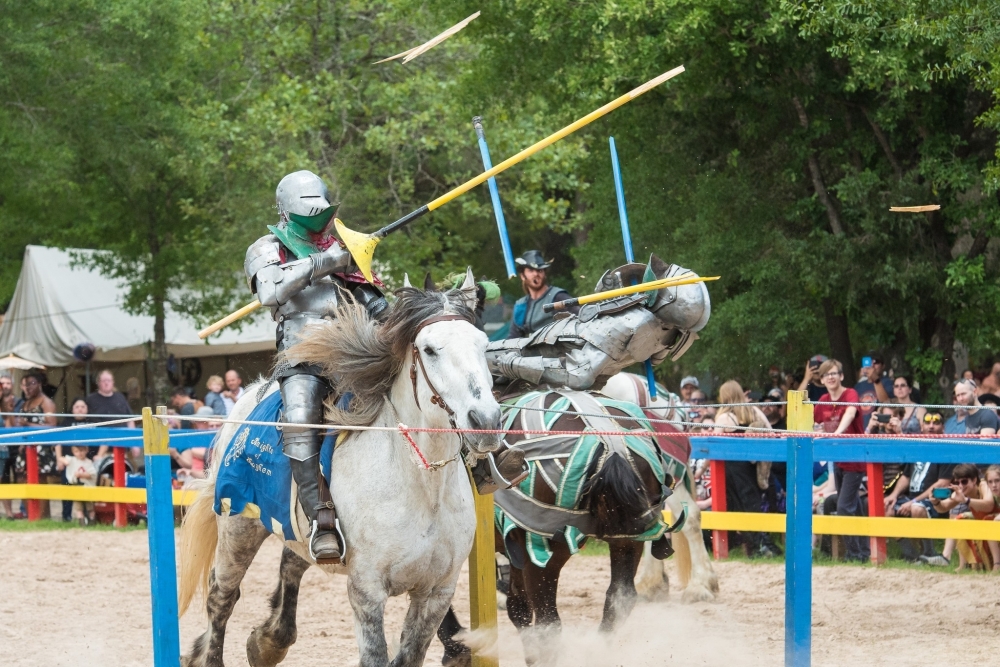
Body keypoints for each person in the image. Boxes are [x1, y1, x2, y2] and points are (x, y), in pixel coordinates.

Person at [713, 380, 780, 557]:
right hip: (754, 466)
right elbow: (771, 435)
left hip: (733, 469)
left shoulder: (724, 417)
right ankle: (761, 544)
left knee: (740, 508)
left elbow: (713, 445)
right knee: (754, 505)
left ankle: (754, 546)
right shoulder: (754, 411)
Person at [812, 359, 869, 562]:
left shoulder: (850, 394)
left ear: (841, 376)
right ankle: (864, 551)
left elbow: (850, 413)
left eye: (834, 373)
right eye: (827, 374)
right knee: (854, 505)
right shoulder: (823, 400)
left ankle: (855, 554)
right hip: (836, 461)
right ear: (822, 379)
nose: (831, 377)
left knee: (845, 507)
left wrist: (835, 433)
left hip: (853, 459)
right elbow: (812, 421)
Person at [929, 464, 1000, 571]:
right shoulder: (961, 493)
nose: (961, 485)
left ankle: (996, 565)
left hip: (992, 521)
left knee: (988, 521)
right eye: (957, 482)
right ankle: (962, 565)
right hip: (986, 522)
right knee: (960, 519)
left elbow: (988, 505)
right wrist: (936, 502)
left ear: (974, 480)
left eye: (964, 481)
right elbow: (943, 508)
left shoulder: (983, 485)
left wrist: (966, 500)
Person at [12, 371, 59, 519]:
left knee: (40, 480)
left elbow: (52, 426)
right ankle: (31, 516)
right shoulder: (25, 403)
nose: (28, 388)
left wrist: (28, 424)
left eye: (31, 384)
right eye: (25, 385)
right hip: (25, 447)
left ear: (39, 384)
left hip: (41, 448)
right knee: (21, 479)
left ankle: (43, 517)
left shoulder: (46, 402)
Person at [506, 250, 577, 338]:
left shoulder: (558, 297)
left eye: (539, 270)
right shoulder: (521, 305)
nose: (536, 274)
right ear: (522, 276)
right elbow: (513, 338)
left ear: (544, 273)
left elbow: (580, 321)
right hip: (529, 350)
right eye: (531, 270)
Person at [86, 370, 138, 463]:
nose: (106, 383)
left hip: (121, 446)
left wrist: (134, 444)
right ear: (98, 382)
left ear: (113, 382)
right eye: (104, 380)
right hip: (98, 450)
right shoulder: (91, 399)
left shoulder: (120, 397)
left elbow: (130, 420)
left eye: (109, 380)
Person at [854, 353, 893, 429]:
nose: (872, 365)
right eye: (869, 362)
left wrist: (876, 380)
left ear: (883, 366)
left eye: (876, 362)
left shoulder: (888, 382)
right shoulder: (858, 386)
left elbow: (886, 403)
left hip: (879, 429)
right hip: (861, 429)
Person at [62, 445, 97, 525]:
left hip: (87, 488)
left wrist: (81, 475)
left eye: (81, 451)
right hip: (76, 488)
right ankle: (81, 522)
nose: (79, 453)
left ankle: (92, 521)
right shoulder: (72, 460)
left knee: (90, 507)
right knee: (78, 507)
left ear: (86, 450)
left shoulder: (88, 462)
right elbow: (62, 458)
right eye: (77, 451)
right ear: (73, 452)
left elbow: (92, 474)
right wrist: (64, 461)